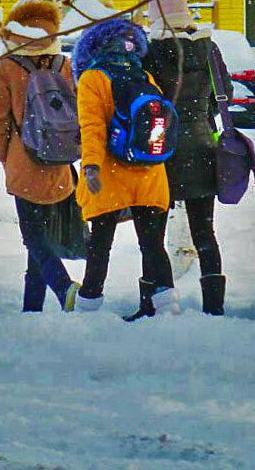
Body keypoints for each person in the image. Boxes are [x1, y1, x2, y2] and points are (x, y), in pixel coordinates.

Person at [72, 17, 177, 320]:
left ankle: (89, 305)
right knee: (152, 243)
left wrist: (90, 165)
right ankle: (165, 303)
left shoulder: (93, 78)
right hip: (148, 168)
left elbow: (91, 127)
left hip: (109, 170)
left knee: (101, 242)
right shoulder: (144, 75)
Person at [143, 0, 232, 315]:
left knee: (152, 231)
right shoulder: (208, 48)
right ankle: (214, 306)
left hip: (159, 148)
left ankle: (157, 300)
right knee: (204, 231)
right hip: (201, 145)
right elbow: (225, 92)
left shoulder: (148, 52)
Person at [0, 0, 80, 313]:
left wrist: (4, 156)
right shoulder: (64, 63)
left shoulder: (9, 67)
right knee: (39, 239)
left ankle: (63, 285)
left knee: (33, 238)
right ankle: (32, 309)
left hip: (23, 160)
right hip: (60, 160)